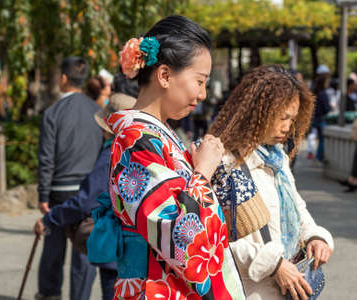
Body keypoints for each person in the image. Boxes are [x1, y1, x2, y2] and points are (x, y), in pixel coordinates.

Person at [107, 15, 245, 299]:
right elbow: (179, 235)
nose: (204, 93)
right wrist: (203, 172)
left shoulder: (154, 136)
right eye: (200, 81)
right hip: (158, 288)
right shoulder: (136, 141)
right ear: (165, 76)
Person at [208, 65, 334, 300]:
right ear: (256, 112)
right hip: (248, 290)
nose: (287, 127)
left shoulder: (277, 157)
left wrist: (315, 236)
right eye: (281, 117)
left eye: (292, 119)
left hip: (285, 287)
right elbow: (212, 237)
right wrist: (273, 264)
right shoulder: (223, 162)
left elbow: (297, 206)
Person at [34, 73, 139, 300]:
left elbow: (86, 200)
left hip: (116, 246)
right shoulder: (139, 150)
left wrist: (50, 218)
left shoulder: (113, 153)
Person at [36, 56, 103, 300]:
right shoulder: (97, 112)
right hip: (88, 190)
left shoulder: (53, 112)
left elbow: (46, 158)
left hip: (58, 189)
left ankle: (49, 293)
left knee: (52, 247)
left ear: (64, 78)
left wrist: (43, 194)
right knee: (83, 249)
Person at [311, 73, 332, 163]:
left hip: (315, 119)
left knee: (318, 138)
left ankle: (317, 156)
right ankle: (319, 157)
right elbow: (327, 108)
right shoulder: (323, 94)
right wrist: (332, 107)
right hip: (321, 119)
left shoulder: (314, 92)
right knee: (322, 140)